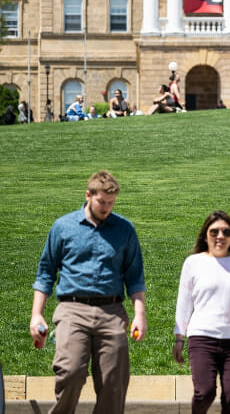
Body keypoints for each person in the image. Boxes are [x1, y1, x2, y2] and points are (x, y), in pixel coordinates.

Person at [30, 170, 146, 414]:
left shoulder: (125, 229)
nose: (106, 208)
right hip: (72, 309)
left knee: (114, 383)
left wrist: (139, 315)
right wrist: (36, 314)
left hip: (112, 311)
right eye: (101, 202)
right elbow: (46, 272)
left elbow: (135, 277)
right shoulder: (63, 227)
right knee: (70, 372)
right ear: (88, 195)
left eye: (111, 203)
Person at [174, 211, 230, 413]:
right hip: (202, 337)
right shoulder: (193, 263)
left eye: (226, 232)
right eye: (214, 231)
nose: (220, 236)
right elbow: (184, 303)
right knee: (205, 392)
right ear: (205, 235)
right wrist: (179, 337)